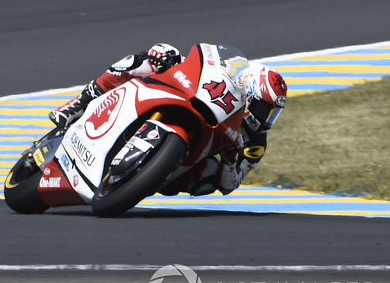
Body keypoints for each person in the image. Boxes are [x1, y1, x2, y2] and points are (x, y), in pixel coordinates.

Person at [48, 43, 287, 196]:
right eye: (264, 108)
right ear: (249, 91)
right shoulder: (231, 78)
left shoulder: (255, 144)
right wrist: (171, 56)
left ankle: (152, 175)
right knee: (144, 60)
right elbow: (203, 66)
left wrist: (231, 159)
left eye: (272, 112)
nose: (266, 118)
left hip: (194, 155)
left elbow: (230, 184)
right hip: (192, 101)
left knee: (208, 179)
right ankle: (79, 103)